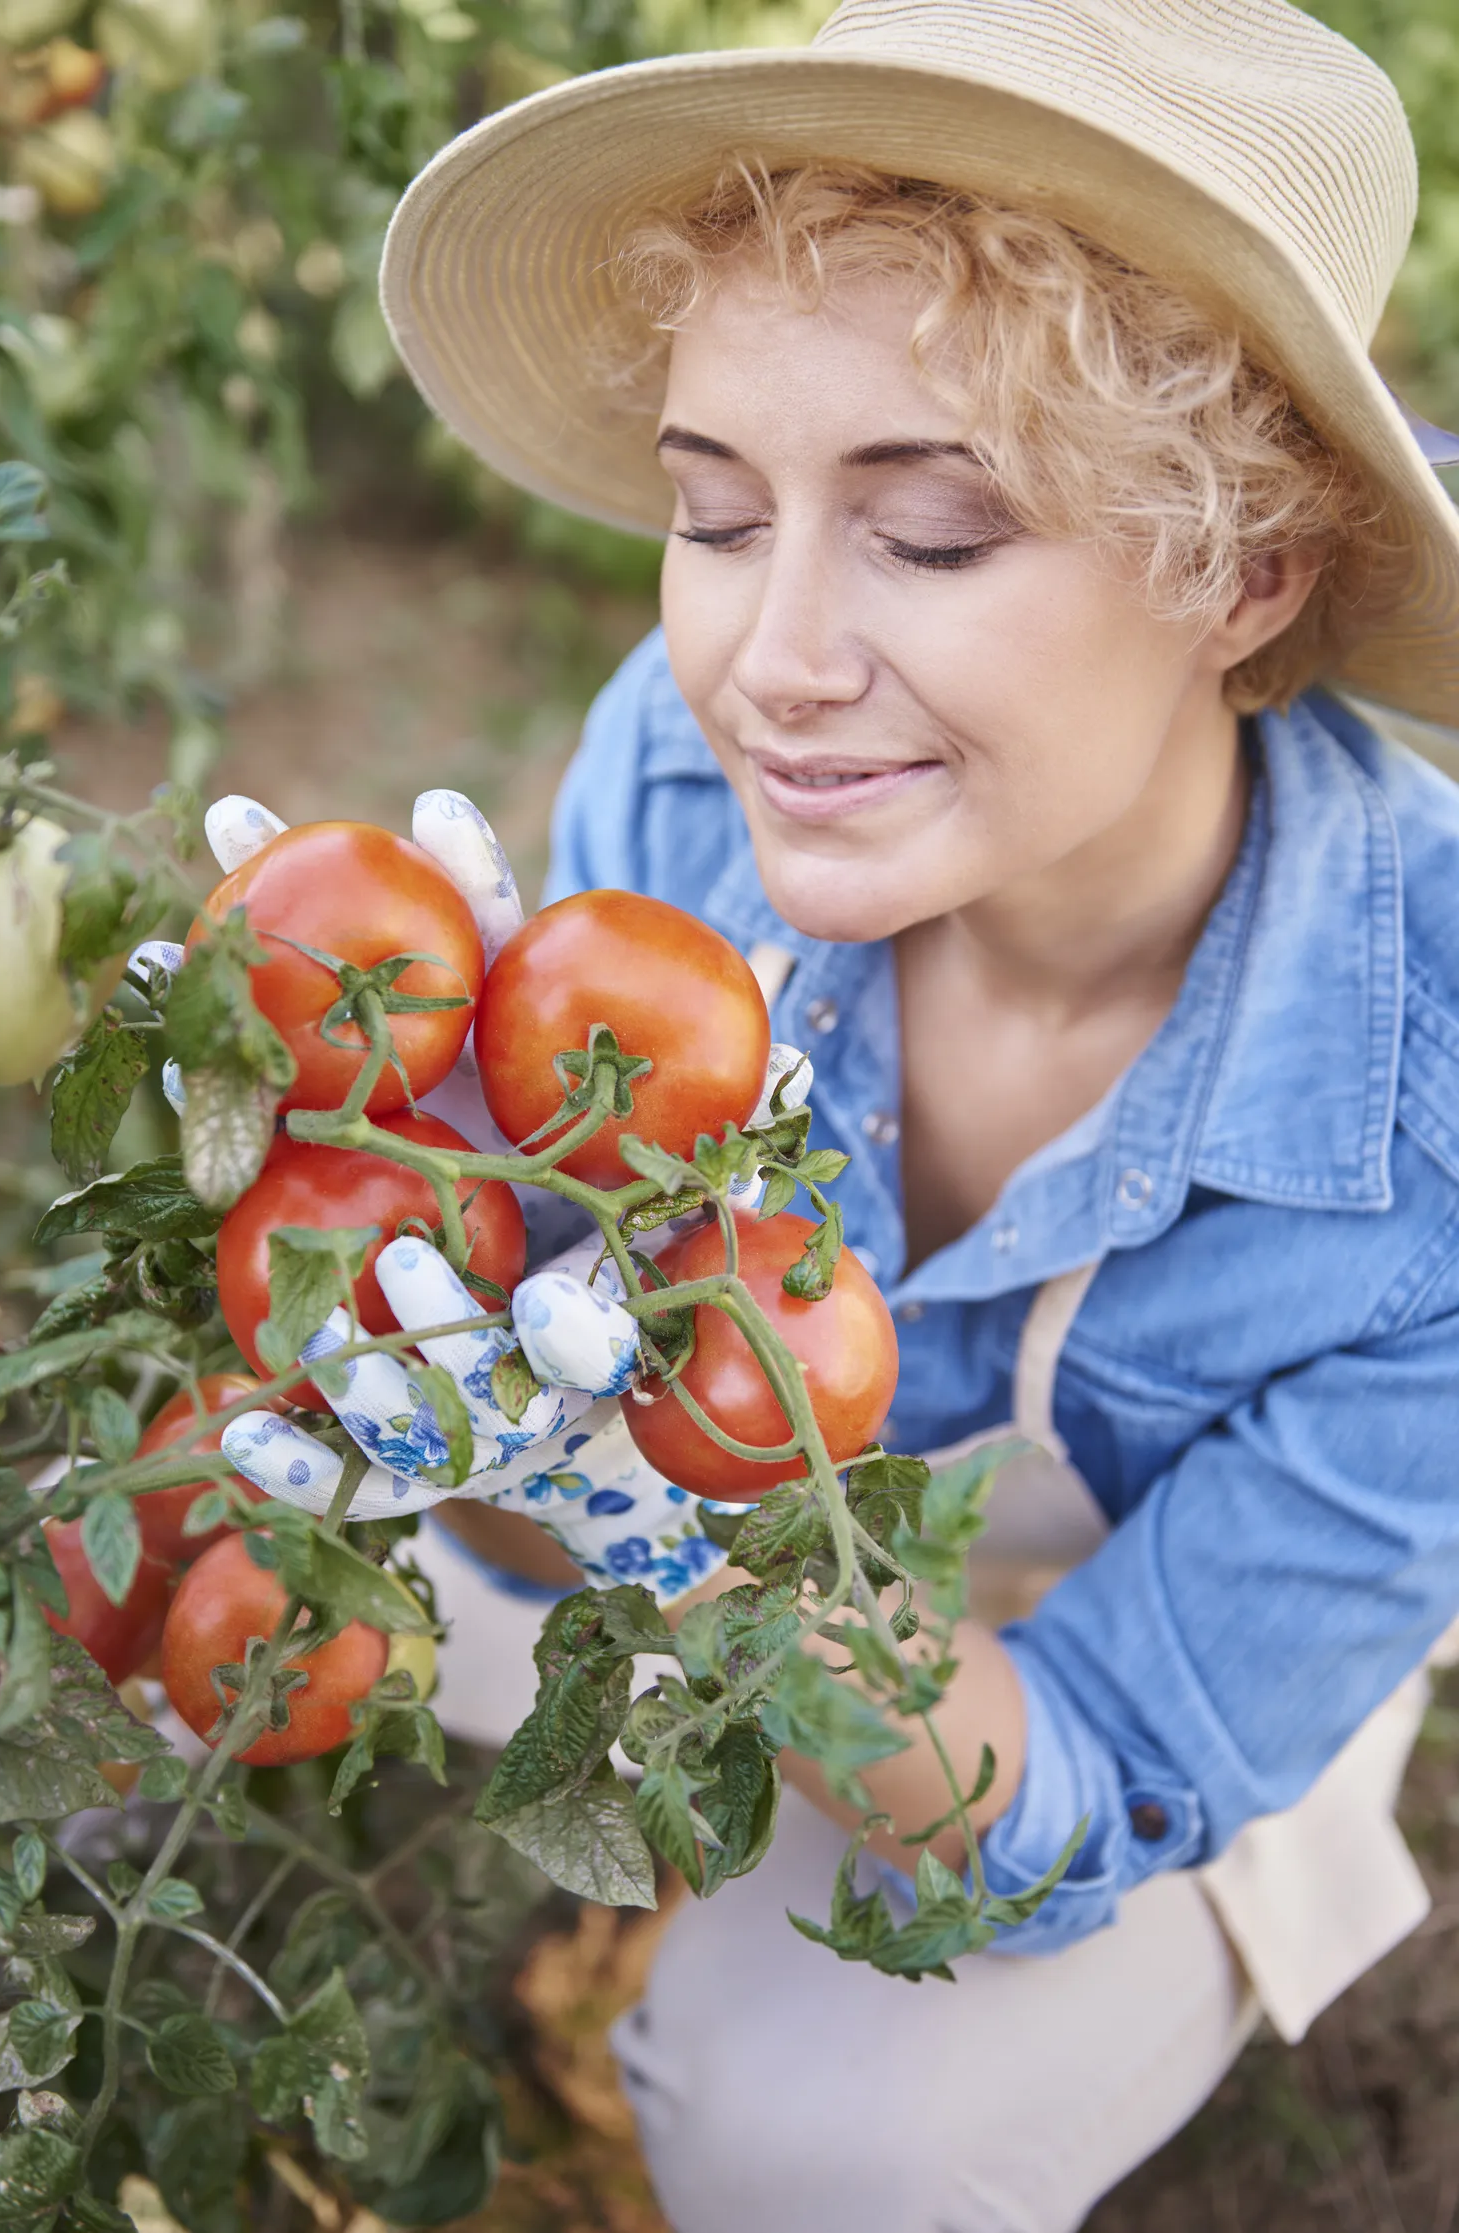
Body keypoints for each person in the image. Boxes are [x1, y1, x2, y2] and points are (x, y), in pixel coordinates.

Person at [340, 1, 1459, 2225]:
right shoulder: (678, 758)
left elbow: (1087, 1780)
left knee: (829, 2137)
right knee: (194, 1507)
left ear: (1243, 575)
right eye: (713, 512)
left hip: (1087, 1660)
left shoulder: (1426, 1149)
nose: (766, 661)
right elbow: (550, 1404)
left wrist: (702, 1541)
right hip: (765, 1502)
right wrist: (419, 1242)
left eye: (933, 534)